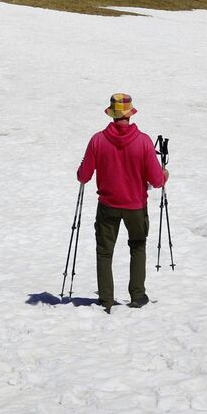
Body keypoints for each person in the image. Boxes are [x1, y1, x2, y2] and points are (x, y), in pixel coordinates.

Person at [75, 93, 169, 312]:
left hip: (107, 205)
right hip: (136, 205)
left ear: (112, 114)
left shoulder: (98, 140)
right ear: (130, 113)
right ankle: (137, 295)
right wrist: (164, 174)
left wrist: (80, 169)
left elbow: (84, 176)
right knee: (137, 245)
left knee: (104, 251)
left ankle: (106, 300)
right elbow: (156, 181)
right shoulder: (144, 141)